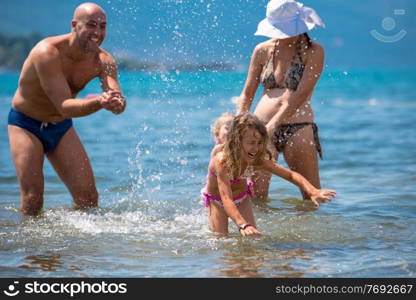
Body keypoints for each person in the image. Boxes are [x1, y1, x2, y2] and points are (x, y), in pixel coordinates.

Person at [7, 2, 126, 215]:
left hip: (60, 126)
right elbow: (64, 106)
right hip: (26, 123)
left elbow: (116, 98)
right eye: (91, 25)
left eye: (102, 26)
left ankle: (79, 247)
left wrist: (116, 103)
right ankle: (30, 247)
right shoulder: (47, 52)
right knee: (33, 199)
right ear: (74, 25)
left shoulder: (103, 60)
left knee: (89, 198)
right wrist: (100, 102)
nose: (97, 32)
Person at [236, 0, 326, 202]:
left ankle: (311, 234)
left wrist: (274, 124)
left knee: (312, 196)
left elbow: (300, 94)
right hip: (259, 129)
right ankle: (263, 234)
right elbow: (247, 92)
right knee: (256, 197)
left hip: (298, 126)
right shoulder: (262, 50)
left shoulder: (314, 51)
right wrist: (240, 122)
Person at [201, 114, 336, 236]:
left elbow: (290, 175)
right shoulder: (222, 161)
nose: (256, 148)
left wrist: (312, 190)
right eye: (251, 143)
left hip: (242, 198)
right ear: (236, 141)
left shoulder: (257, 159)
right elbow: (226, 199)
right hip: (218, 200)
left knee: (253, 237)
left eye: (260, 143)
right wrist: (242, 224)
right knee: (220, 239)